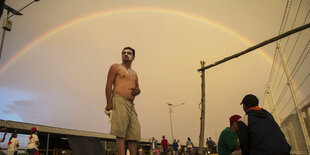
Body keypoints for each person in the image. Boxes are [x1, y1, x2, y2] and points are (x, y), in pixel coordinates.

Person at [105, 47, 141, 155]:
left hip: (131, 105)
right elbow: (108, 84)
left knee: (134, 133)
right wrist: (109, 102)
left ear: (133, 57)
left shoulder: (134, 73)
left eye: (129, 53)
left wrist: (137, 91)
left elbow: (138, 88)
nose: (126, 54)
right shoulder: (116, 67)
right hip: (119, 100)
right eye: (124, 53)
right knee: (120, 132)